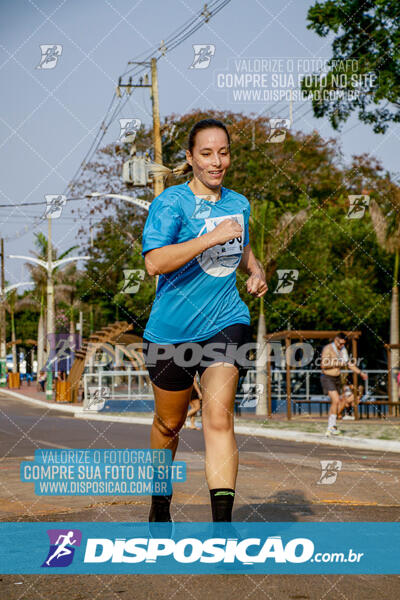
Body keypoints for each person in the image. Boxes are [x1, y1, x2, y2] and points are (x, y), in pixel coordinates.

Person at [141, 118, 268, 523]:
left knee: (218, 416)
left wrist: (256, 269)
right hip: (170, 332)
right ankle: (160, 505)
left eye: (224, 152)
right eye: (207, 153)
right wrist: (209, 237)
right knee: (169, 424)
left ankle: (223, 529)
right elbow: (154, 262)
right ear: (191, 158)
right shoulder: (170, 203)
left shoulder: (239, 203)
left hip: (226, 321)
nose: (217, 162)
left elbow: (242, 246)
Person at [321, 332, 367, 436]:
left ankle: (332, 426)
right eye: (340, 344)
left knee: (338, 402)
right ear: (335, 340)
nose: (342, 346)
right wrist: (339, 363)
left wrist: (360, 372)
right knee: (336, 400)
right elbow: (323, 365)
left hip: (337, 378)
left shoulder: (343, 350)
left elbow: (349, 364)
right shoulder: (328, 349)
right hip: (327, 377)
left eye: (343, 344)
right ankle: (330, 427)